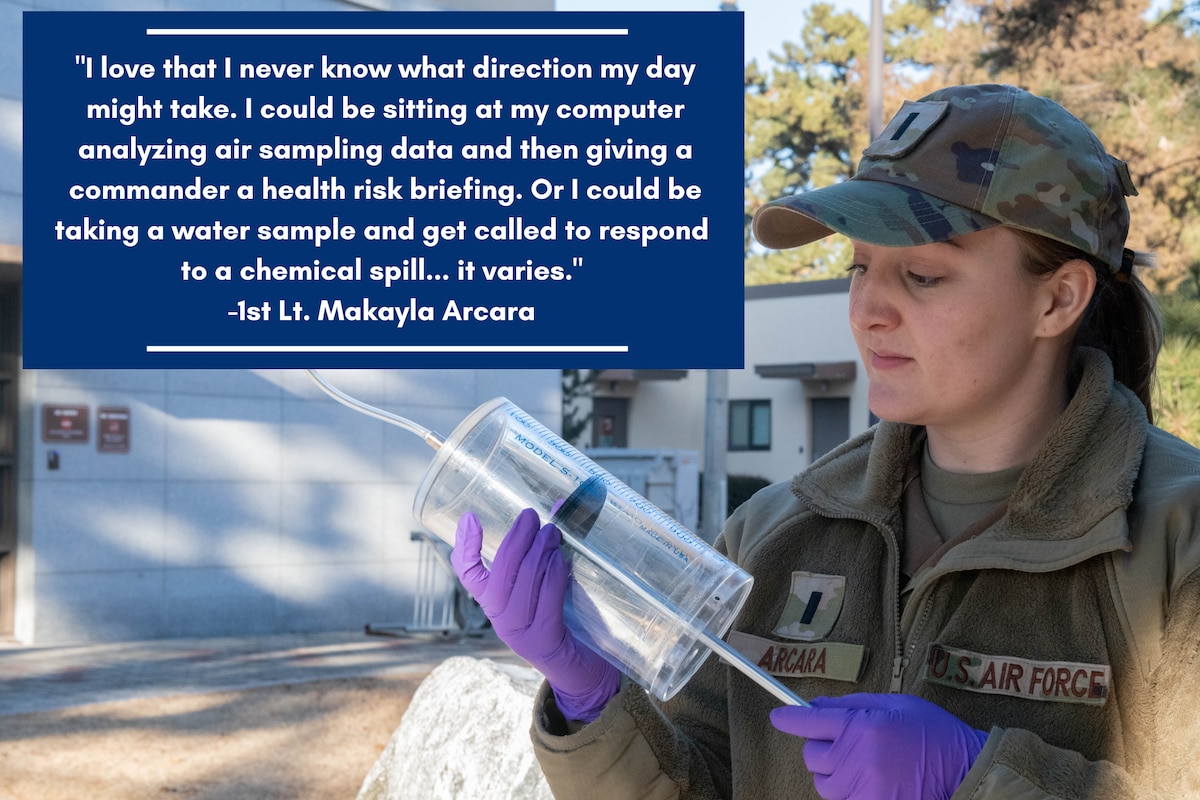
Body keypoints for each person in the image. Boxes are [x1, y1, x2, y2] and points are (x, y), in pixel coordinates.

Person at [450, 83, 1200, 799]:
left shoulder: (1174, 541)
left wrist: (979, 777)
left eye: (924, 276)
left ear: (1058, 298)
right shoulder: (776, 534)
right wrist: (592, 700)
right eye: (860, 267)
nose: (869, 309)